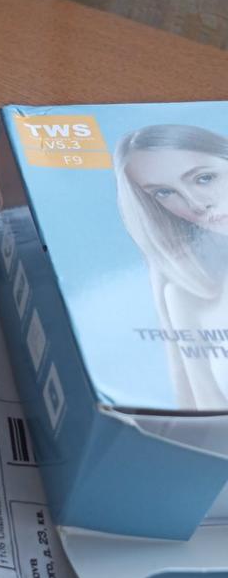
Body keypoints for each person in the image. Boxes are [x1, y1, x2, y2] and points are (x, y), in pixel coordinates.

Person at [115, 123, 228, 409]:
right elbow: (201, 414)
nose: (195, 204)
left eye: (204, 178)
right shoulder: (187, 293)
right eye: (164, 192)